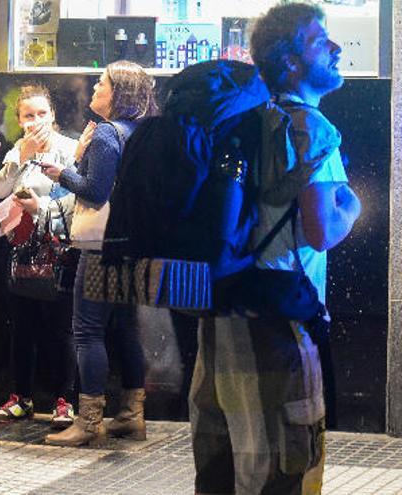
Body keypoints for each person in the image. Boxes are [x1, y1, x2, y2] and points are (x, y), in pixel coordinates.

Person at [189, 4, 361, 493]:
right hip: (282, 324)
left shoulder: (236, 123)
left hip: (221, 314)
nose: (335, 48)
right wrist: (354, 208)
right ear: (290, 62)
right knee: (288, 468)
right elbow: (321, 230)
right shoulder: (310, 129)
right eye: (319, 40)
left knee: (219, 466)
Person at [42, 61, 157, 446]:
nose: (94, 87)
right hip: (133, 243)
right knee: (125, 328)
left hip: (100, 245)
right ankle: (131, 416)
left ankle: (88, 423)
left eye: (102, 83)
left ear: (119, 92)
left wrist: (61, 173)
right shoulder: (142, 132)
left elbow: (94, 190)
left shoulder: (108, 134)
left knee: (88, 330)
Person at [0, 84, 78, 429]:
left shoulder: (70, 149)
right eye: (28, 115)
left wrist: (43, 206)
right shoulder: (17, 150)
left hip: (60, 249)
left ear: (53, 116)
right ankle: (20, 398)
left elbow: (79, 196)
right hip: (23, 249)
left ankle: (65, 401)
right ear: (19, 120)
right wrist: (22, 156)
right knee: (22, 326)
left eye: (42, 114)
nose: (36, 121)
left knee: (61, 328)